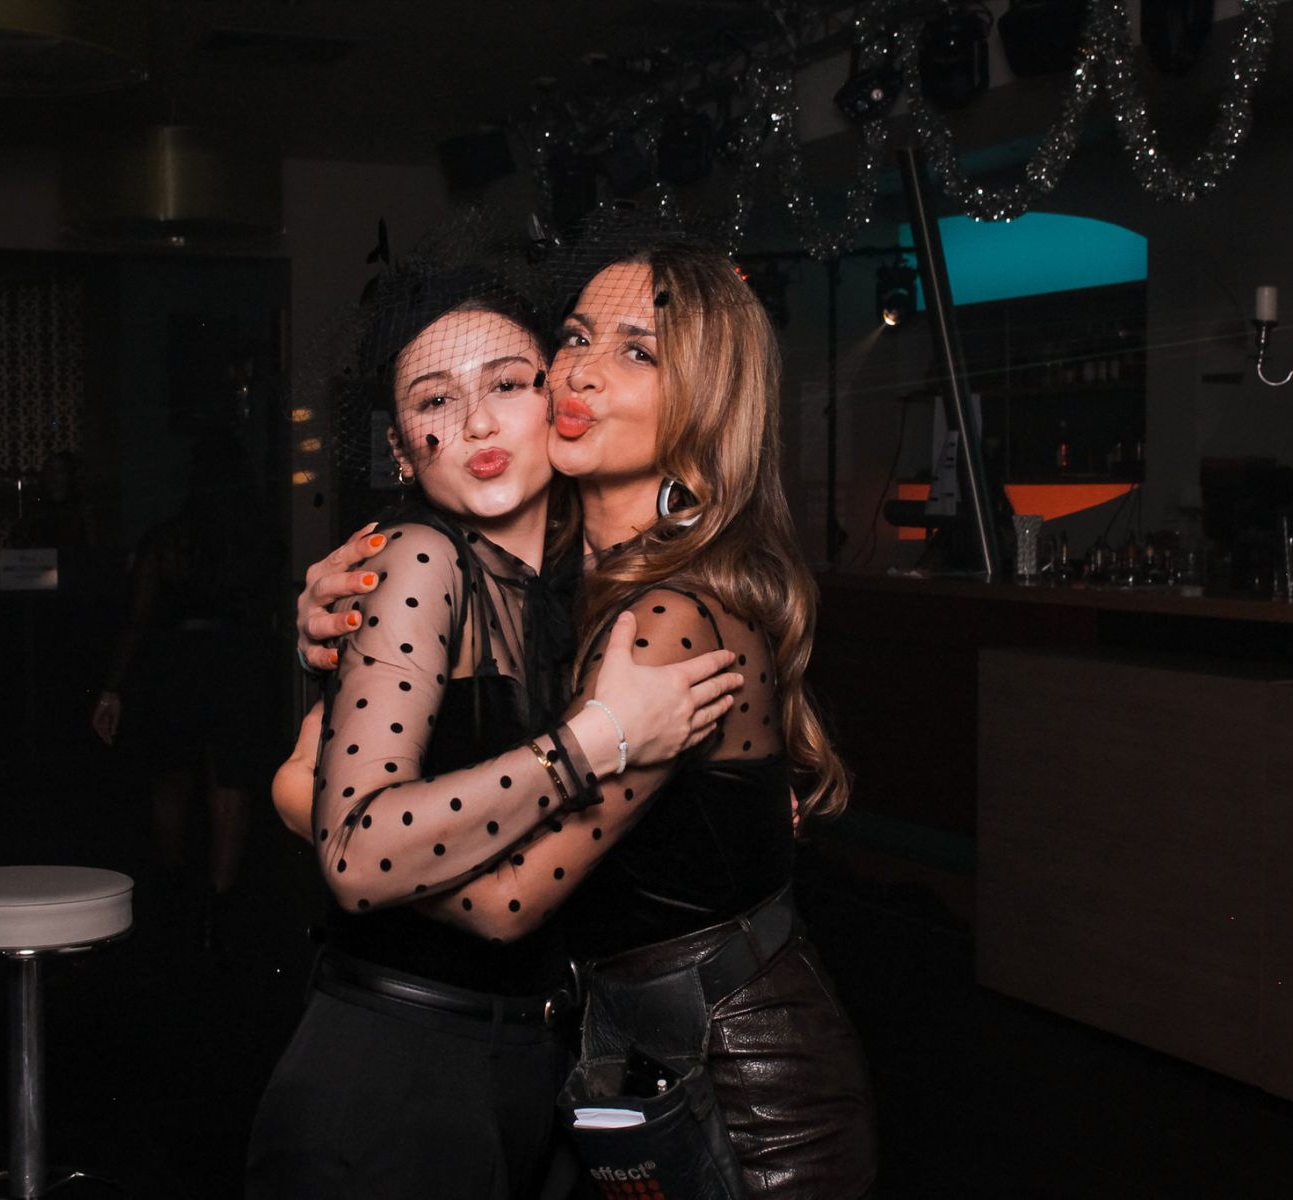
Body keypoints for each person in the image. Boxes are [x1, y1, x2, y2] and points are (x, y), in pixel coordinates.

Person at [289, 232, 879, 1196]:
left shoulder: (666, 621)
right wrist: (329, 635)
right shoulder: (555, 583)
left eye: (637, 351)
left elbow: (500, 905)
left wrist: (345, 836)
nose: (581, 372)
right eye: (573, 338)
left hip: (742, 1100)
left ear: (704, 404)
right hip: (621, 1066)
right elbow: (337, 753)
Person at [92, 434, 278, 953]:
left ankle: (173, 884)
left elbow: (138, 618)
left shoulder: (168, 540)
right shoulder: (256, 539)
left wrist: (112, 687)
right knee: (230, 783)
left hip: (176, 665)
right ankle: (217, 904)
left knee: (172, 777)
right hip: (235, 664)